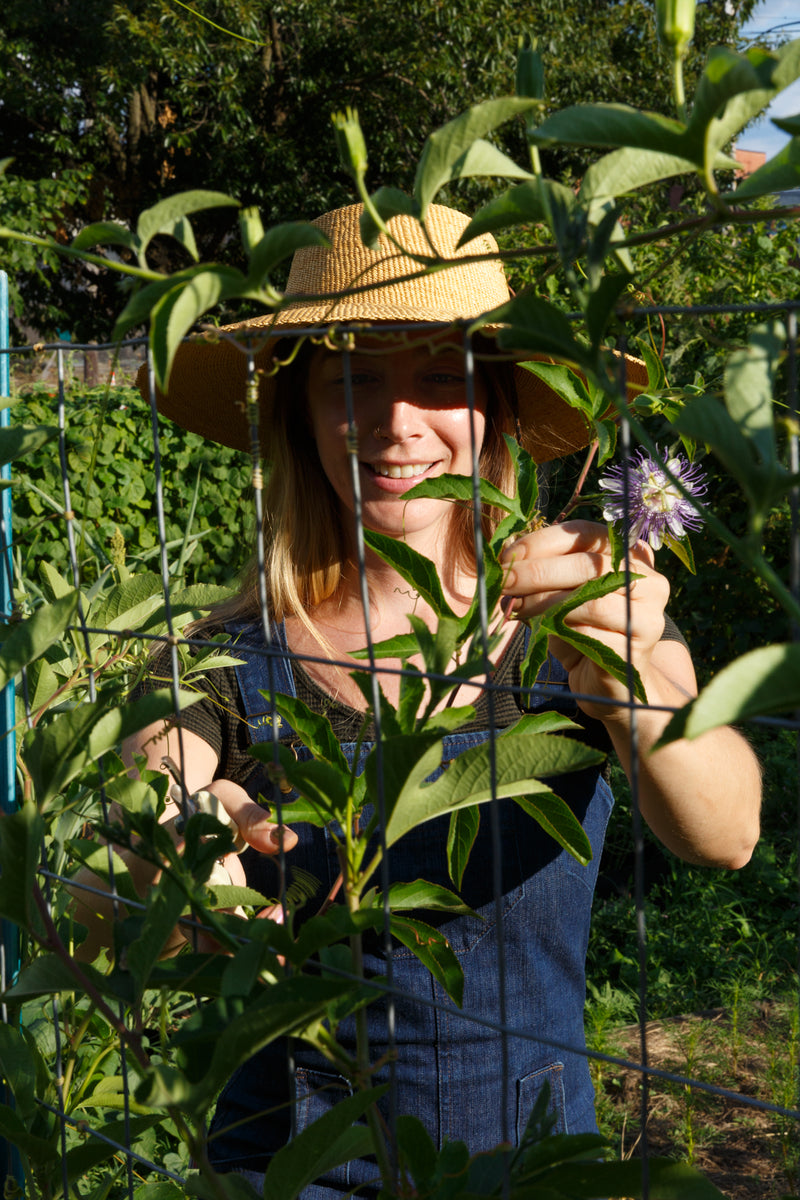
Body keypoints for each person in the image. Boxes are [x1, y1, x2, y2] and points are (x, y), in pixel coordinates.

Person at [79, 203, 761, 1196]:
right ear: (299, 414)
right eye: (350, 379)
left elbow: (724, 829)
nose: (396, 423)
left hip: (521, 1160)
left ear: (495, 409)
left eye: (440, 377)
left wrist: (618, 677)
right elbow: (109, 884)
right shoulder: (224, 660)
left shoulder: (571, 618)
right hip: (287, 1169)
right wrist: (171, 846)